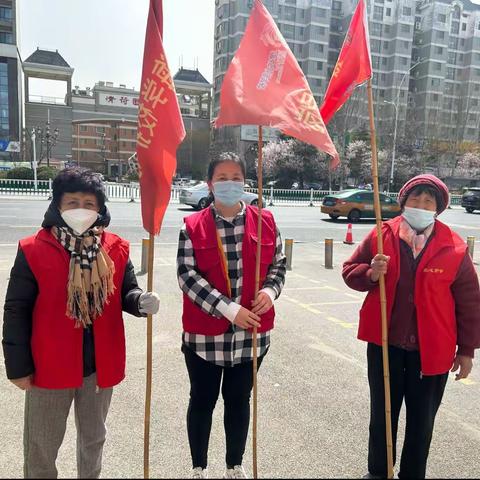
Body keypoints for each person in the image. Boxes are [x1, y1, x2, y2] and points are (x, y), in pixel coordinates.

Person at [2, 167, 160, 478]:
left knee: (94, 440)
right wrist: (18, 367)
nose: (81, 210)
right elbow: (16, 309)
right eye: (72, 202)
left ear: (101, 208)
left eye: (89, 204)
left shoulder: (116, 247)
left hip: (99, 367)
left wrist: (140, 301)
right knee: (41, 447)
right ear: (57, 205)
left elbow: (126, 291)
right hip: (47, 367)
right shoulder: (34, 249)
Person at [342, 174, 480, 479]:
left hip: (432, 353)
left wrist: (467, 350)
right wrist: (370, 273)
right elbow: (350, 271)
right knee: (382, 415)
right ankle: (378, 472)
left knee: (422, 422)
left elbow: (470, 302)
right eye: (415, 199)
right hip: (385, 345)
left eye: (428, 200)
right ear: (403, 202)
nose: (420, 205)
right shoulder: (382, 235)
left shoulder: (454, 247)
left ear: (438, 207)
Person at [176, 152, 286, 479]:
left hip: (252, 337)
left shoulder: (265, 221)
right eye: (221, 178)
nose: (229, 183)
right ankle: (199, 466)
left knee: (239, 401)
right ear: (210, 184)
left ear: (245, 181)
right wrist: (228, 309)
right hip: (204, 338)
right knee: (203, 400)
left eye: (235, 177)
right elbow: (187, 276)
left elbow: (278, 266)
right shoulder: (193, 226)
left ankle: (234, 465)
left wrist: (269, 292)